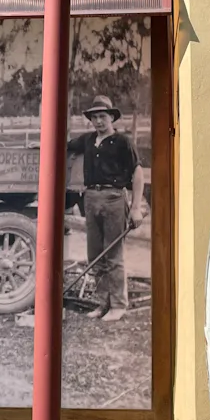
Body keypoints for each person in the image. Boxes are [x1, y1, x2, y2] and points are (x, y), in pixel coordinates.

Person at [67, 96, 146, 321]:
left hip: (114, 198)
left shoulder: (123, 142)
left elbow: (137, 173)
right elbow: (65, 145)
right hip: (91, 198)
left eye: (103, 116)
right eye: (94, 117)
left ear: (111, 117)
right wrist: (39, 145)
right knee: (95, 255)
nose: (99, 121)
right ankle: (103, 304)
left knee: (113, 255)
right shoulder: (88, 140)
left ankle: (118, 306)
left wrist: (136, 207)